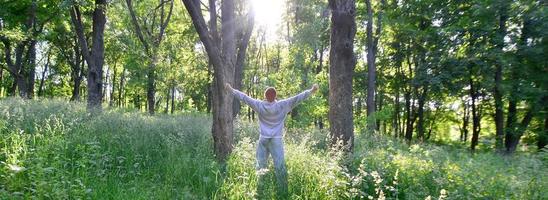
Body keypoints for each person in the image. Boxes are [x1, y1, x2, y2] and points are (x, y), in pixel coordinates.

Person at [225, 83, 318, 197]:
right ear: (275, 96)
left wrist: (231, 90)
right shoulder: (282, 105)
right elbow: (297, 98)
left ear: (265, 96)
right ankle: (282, 189)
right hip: (276, 140)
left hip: (263, 138)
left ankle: (260, 188)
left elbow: (244, 97)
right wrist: (311, 91)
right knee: (279, 165)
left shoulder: (259, 105)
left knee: (260, 164)